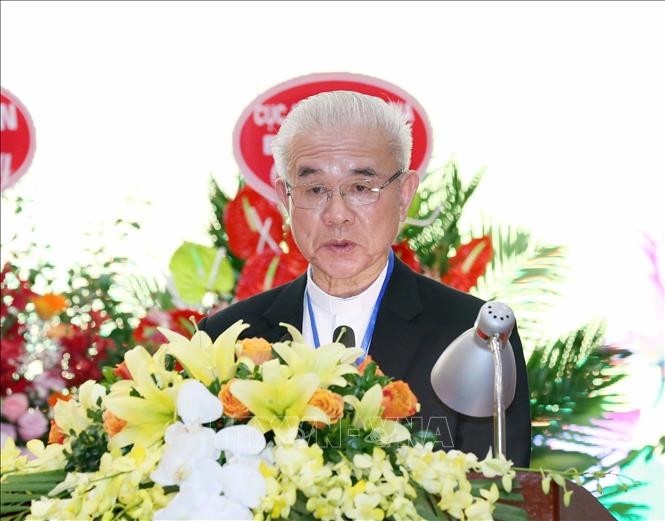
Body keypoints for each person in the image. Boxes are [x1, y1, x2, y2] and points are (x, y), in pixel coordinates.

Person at [199, 90, 531, 466]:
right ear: (285, 197)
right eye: (315, 189)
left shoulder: (473, 337)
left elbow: (503, 489)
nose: (336, 214)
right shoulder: (225, 338)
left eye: (360, 188)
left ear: (404, 195)